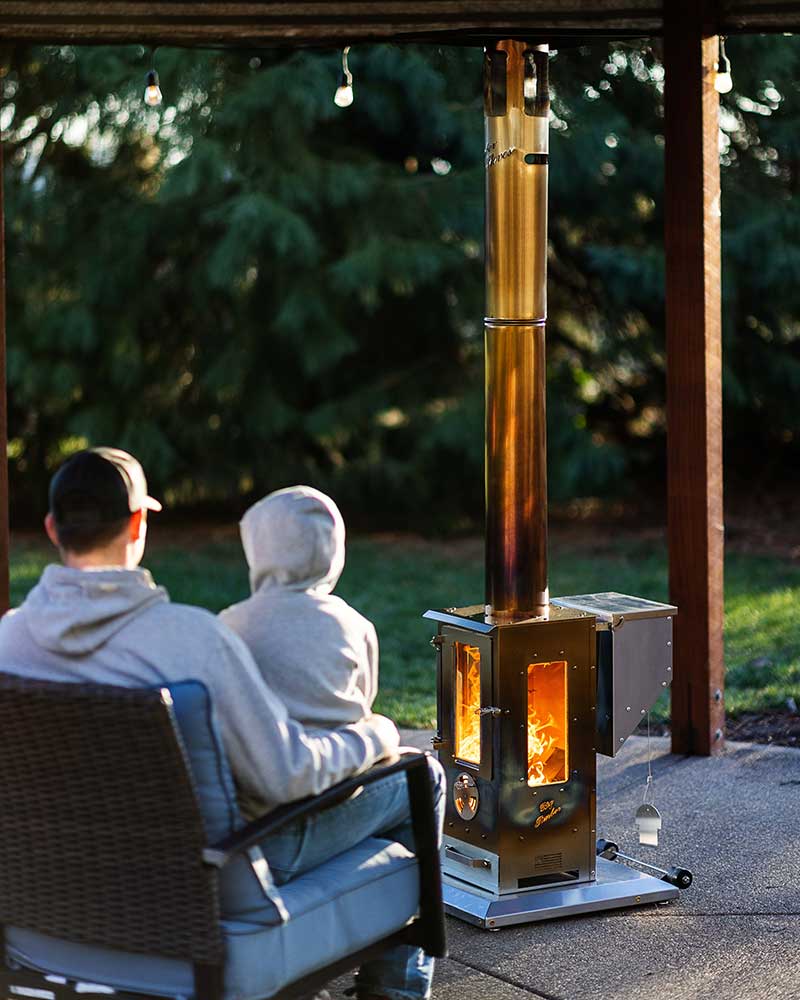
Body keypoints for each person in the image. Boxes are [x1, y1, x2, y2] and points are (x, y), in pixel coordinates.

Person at [0, 447, 444, 1000]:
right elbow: (288, 777)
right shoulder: (192, 643)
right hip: (195, 917)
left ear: (50, 528)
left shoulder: (7, 645)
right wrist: (375, 733)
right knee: (420, 778)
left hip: (41, 923)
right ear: (139, 523)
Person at [219, 485, 377, 731]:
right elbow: (365, 696)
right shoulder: (354, 625)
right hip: (349, 754)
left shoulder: (230, 624)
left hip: (272, 749)